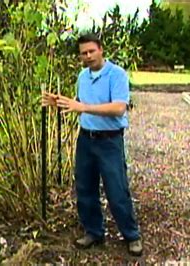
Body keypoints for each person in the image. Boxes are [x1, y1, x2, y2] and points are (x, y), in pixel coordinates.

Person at [41, 33, 142, 256]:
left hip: (110, 141)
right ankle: (94, 232)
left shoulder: (117, 75)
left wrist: (83, 107)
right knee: (85, 188)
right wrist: (58, 102)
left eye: (91, 51)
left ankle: (132, 235)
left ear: (101, 49)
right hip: (86, 139)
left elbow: (118, 108)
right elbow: (78, 104)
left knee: (117, 190)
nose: (87, 56)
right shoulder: (82, 77)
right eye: (83, 53)